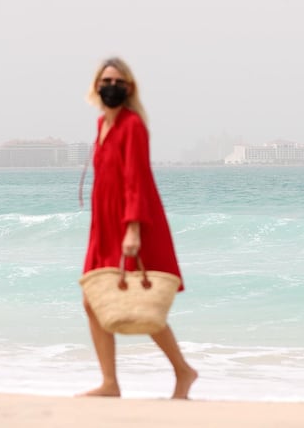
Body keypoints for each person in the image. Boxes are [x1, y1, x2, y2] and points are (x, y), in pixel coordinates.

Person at [80, 57, 197, 399]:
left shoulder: (132, 125)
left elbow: (136, 179)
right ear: (95, 86)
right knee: (92, 301)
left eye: (118, 81)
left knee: (145, 304)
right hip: (104, 224)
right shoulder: (103, 123)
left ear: (129, 88)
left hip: (131, 221)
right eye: (105, 80)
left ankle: (183, 371)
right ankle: (110, 383)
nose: (110, 87)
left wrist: (132, 228)